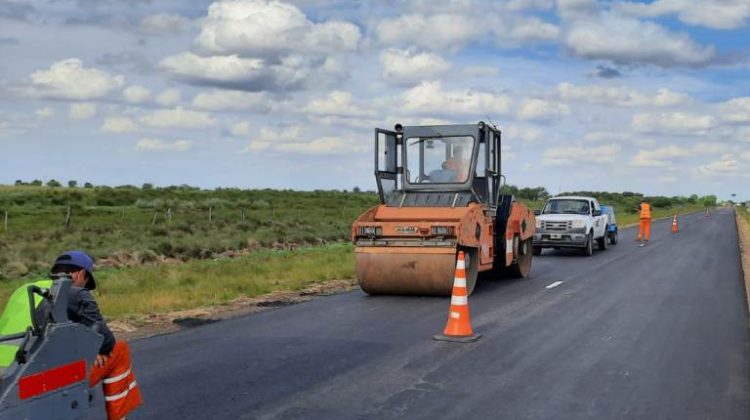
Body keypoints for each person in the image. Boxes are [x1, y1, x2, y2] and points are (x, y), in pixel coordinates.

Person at [50, 250, 142, 420]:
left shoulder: (27, 290)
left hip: (10, 370)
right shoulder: (75, 292)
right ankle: (118, 417)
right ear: (81, 274)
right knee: (119, 350)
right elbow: (106, 341)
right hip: (49, 377)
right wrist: (98, 349)